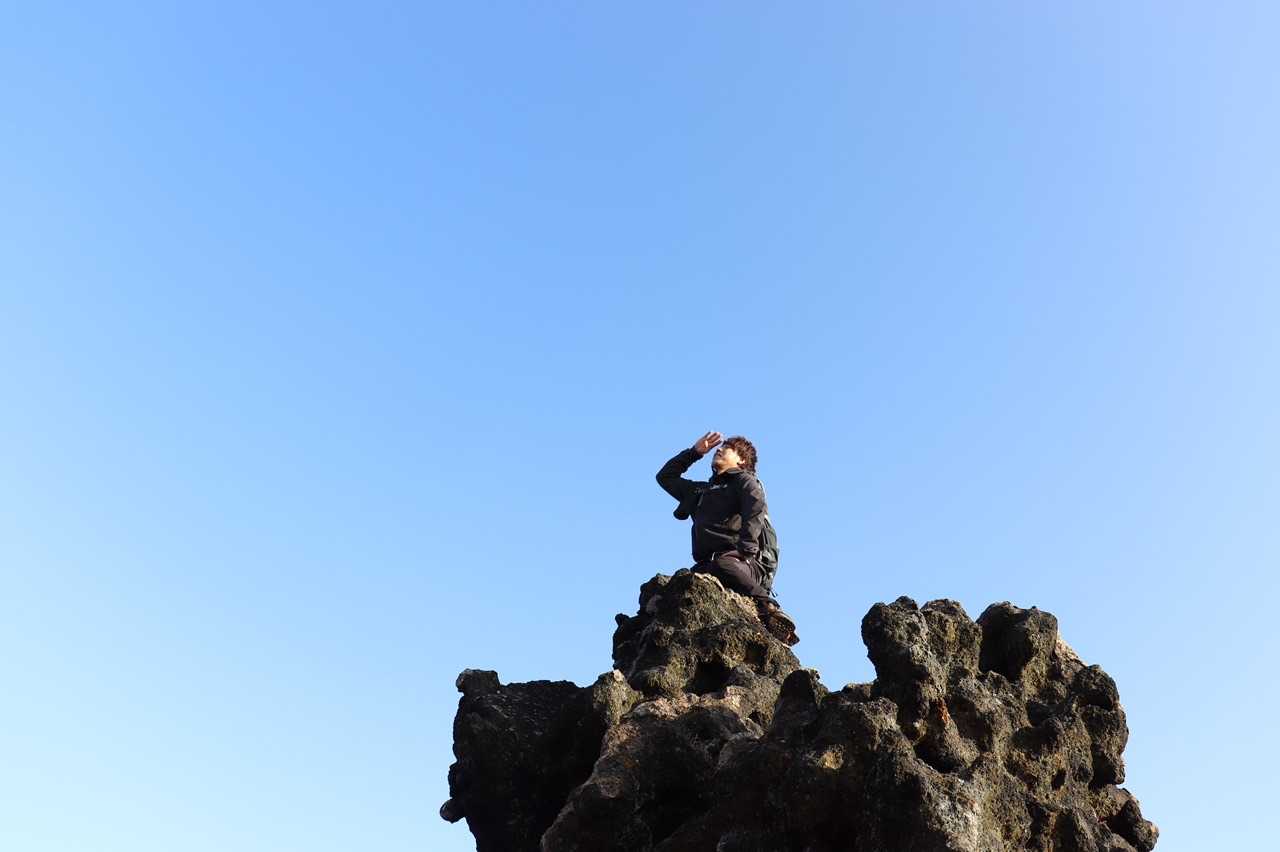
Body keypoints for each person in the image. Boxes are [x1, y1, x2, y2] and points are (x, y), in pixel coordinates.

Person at [656, 431, 799, 645]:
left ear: (741, 460)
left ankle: (769, 609)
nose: (720, 449)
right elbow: (665, 477)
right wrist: (694, 453)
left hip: (743, 561)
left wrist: (746, 549)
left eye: (728, 448)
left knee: (724, 565)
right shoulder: (701, 491)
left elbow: (755, 507)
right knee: (678, 586)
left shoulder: (744, 481)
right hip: (707, 564)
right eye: (720, 447)